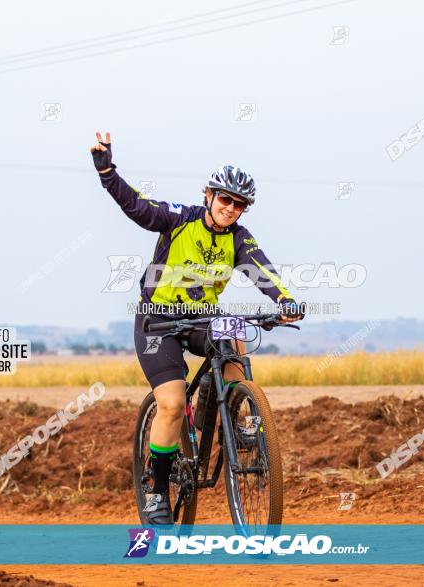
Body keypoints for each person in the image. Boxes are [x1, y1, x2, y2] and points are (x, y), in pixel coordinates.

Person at [90, 131, 304, 524]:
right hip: (158, 322)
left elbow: (262, 270)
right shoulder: (180, 217)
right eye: (225, 199)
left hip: (200, 319)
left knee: (233, 332)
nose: (231, 208)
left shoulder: (239, 238)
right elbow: (138, 207)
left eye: (240, 204)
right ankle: (156, 489)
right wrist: (107, 171)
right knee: (171, 404)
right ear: (209, 195)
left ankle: (239, 418)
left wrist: (283, 302)